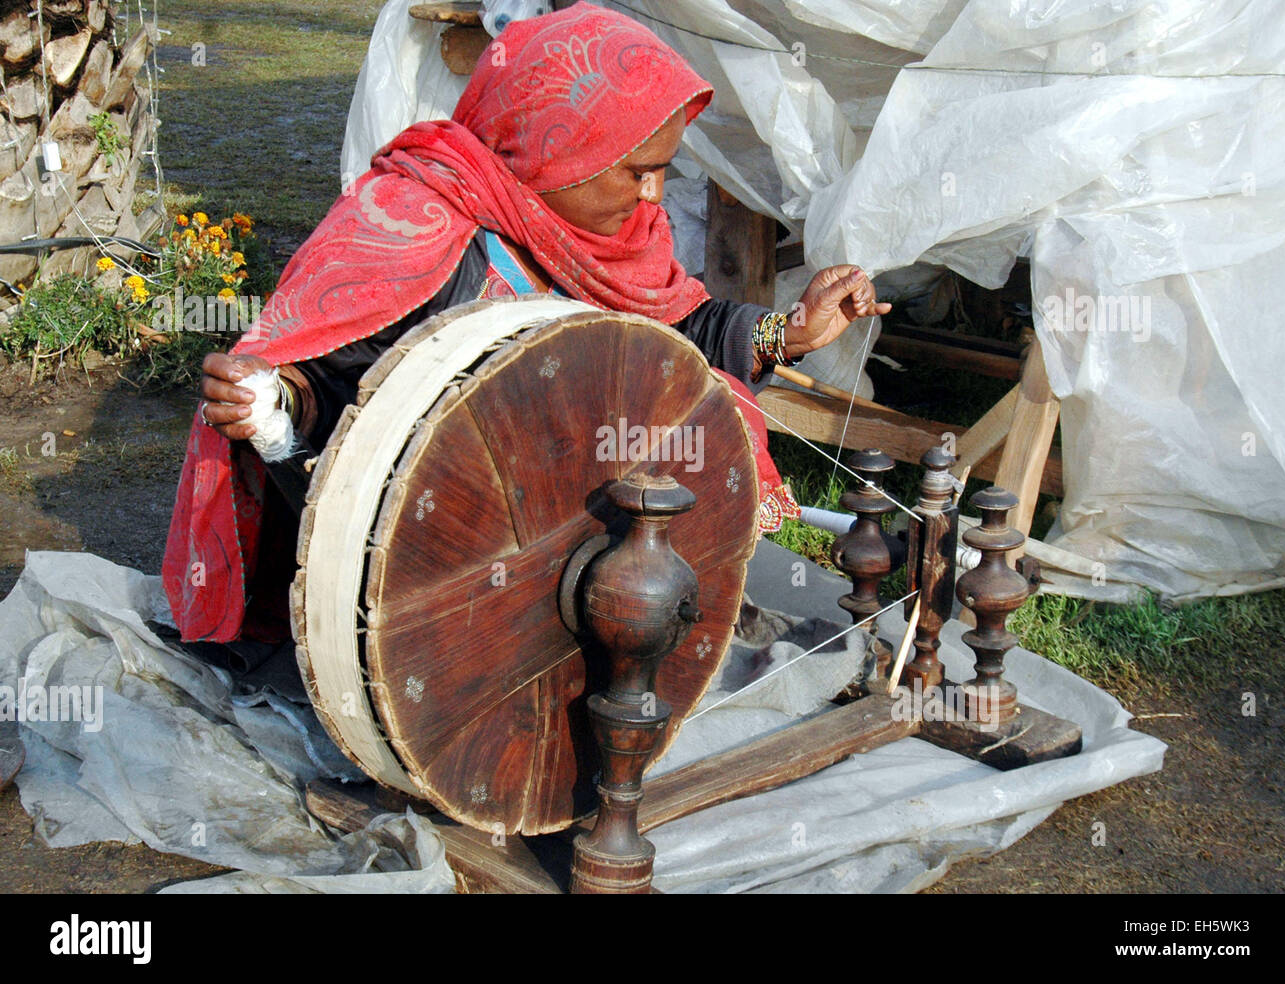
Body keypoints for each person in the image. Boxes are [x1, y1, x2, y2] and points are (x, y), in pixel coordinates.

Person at [164, 2, 889, 643]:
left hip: (575, 541)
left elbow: (677, 335)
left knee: (700, 415)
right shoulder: (416, 230)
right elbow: (339, 405)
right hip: (445, 566)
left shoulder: (618, 238)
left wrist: (792, 332)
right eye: (637, 169)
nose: (654, 193)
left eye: (663, 168)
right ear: (560, 150)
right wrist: (273, 406)